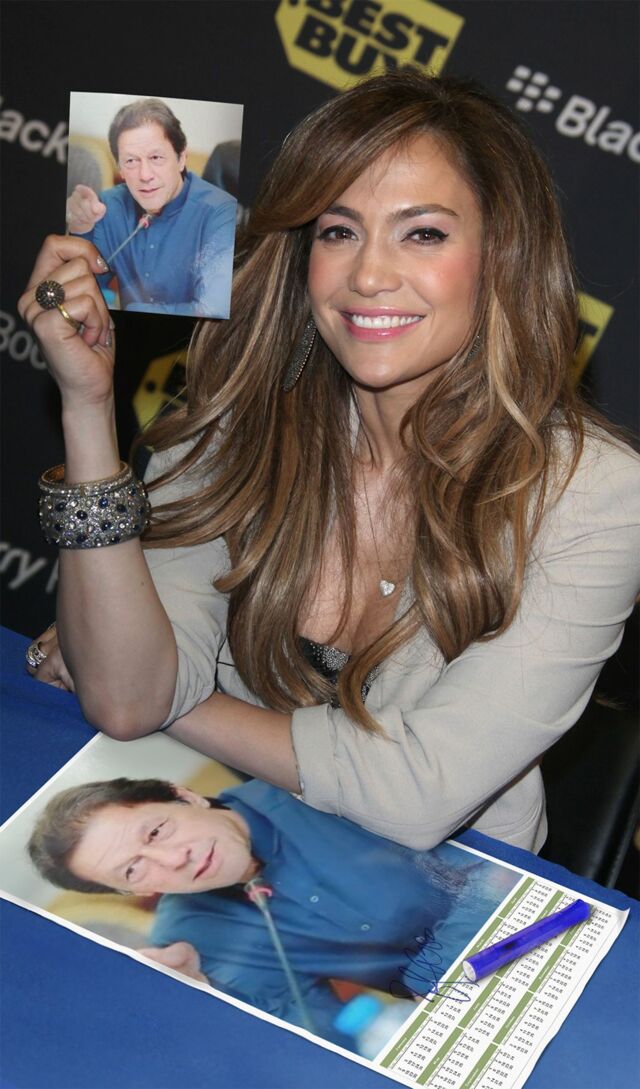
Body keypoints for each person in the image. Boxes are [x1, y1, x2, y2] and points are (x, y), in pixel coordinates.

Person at [19, 72, 640, 855]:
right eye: (339, 231)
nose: (368, 275)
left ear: (501, 258)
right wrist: (86, 408)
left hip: (437, 894)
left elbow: (419, 792)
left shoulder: (595, 495)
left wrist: (169, 698)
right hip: (208, 831)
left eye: (423, 234)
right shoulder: (242, 415)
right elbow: (125, 698)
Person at [27, 775, 514, 1043]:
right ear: (128, 892)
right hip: (477, 1020)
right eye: (133, 870)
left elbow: (489, 870)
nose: (174, 860)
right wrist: (211, 1000)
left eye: (156, 831)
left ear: (185, 796)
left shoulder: (303, 783)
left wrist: (449, 979)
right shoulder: (193, 936)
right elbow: (325, 1040)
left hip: (528, 920)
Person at [66, 98, 237, 318]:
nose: (145, 175)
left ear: (181, 158)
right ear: (120, 168)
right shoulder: (109, 204)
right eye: (131, 161)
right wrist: (82, 230)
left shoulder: (220, 211)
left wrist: (131, 311)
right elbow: (86, 288)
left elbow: (213, 310)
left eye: (156, 157)